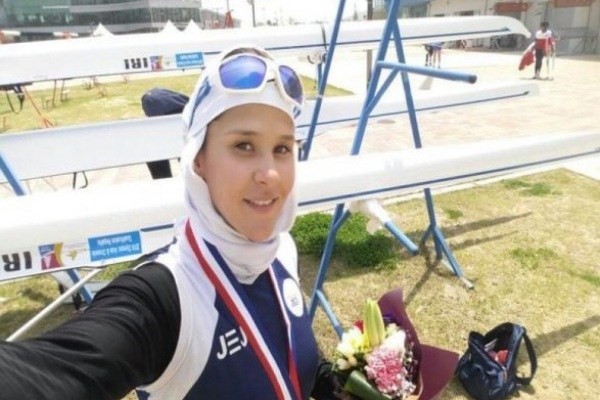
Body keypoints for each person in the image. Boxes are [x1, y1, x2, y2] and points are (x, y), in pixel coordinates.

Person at [0, 45, 340, 400]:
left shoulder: (281, 250)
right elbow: (48, 374)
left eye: (282, 148)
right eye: (244, 145)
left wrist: (333, 381)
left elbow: (282, 350)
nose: (270, 173)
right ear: (198, 160)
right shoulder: (164, 297)